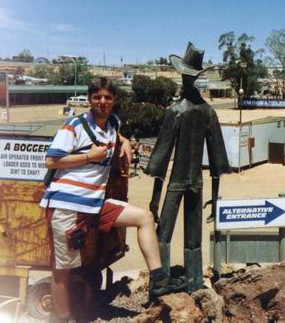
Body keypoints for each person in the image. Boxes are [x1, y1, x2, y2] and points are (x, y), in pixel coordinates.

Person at [40, 77, 186, 323]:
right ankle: (63, 318)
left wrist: (125, 141)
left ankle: (159, 281)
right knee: (62, 270)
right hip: (67, 205)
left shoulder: (113, 124)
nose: (102, 102)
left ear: (114, 100)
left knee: (144, 218)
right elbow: (51, 161)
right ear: (89, 100)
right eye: (97, 97)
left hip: (95, 205)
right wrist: (90, 156)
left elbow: (116, 135)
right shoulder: (73, 125)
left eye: (107, 97)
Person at [146, 42, 231, 292]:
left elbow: (161, 158)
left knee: (163, 235)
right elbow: (218, 161)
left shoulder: (176, 111)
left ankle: (160, 283)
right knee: (193, 239)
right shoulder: (208, 112)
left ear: (185, 76)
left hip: (177, 183)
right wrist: (215, 199)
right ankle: (194, 283)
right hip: (197, 183)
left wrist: (154, 199)